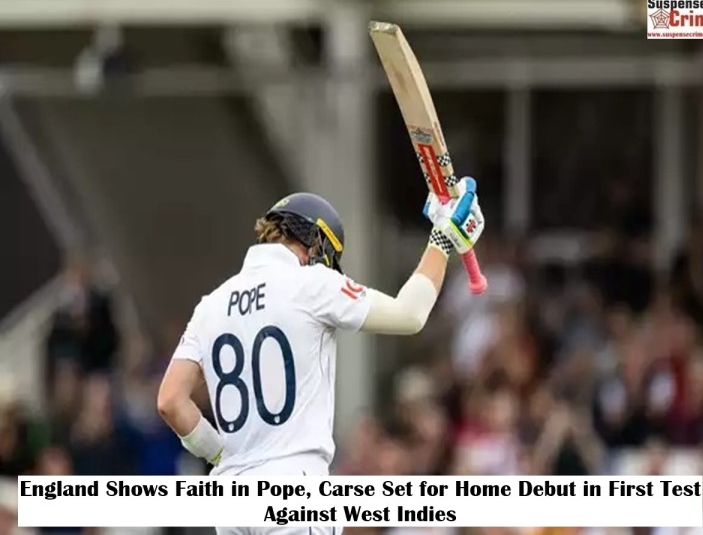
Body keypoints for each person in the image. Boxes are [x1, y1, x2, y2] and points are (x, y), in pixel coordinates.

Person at [157, 178, 484, 535]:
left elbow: (171, 401)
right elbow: (410, 315)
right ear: (317, 243)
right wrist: (442, 239)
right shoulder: (312, 284)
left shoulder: (210, 306)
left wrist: (220, 455)